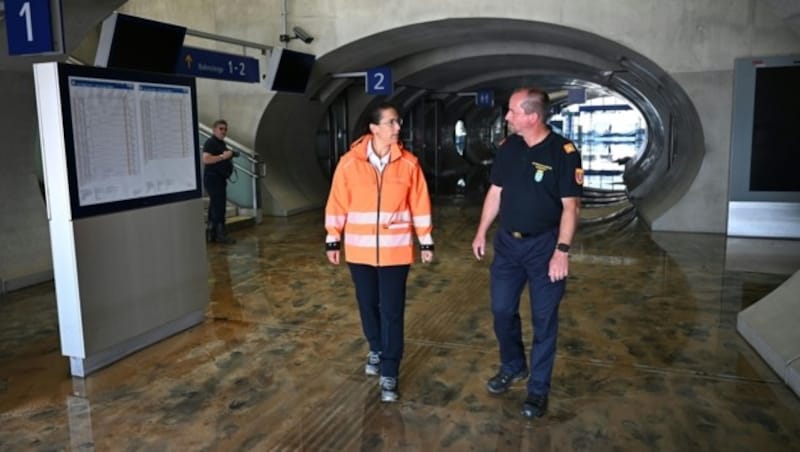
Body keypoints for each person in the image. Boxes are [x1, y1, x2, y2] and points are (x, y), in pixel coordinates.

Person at [471, 87, 583, 419]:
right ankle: (513, 365)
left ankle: (537, 390)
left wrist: (561, 251)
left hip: (544, 246)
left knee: (544, 320)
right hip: (507, 245)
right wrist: (481, 231)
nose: (507, 117)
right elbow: (496, 192)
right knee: (502, 310)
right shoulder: (508, 148)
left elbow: (571, 207)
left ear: (532, 116)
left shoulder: (563, 152)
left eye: (512, 112)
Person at [325, 102, 434, 403]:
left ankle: (390, 371)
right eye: (391, 123)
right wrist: (332, 239)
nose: (398, 127)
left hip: (395, 252)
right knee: (367, 304)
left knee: (392, 310)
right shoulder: (349, 163)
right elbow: (337, 202)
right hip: (359, 251)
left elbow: (420, 204)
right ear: (374, 129)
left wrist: (425, 241)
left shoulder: (409, 164)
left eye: (398, 122)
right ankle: (376, 346)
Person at [202, 119, 236, 244]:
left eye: (225, 129)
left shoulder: (221, 143)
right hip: (213, 179)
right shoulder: (210, 142)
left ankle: (212, 233)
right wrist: (223, 156)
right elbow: (206, 159)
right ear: (214, 129)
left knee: (215, 206)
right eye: (221, 128)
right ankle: (221, 234)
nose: (223, 131)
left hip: (219, 179)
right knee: (219, 206)